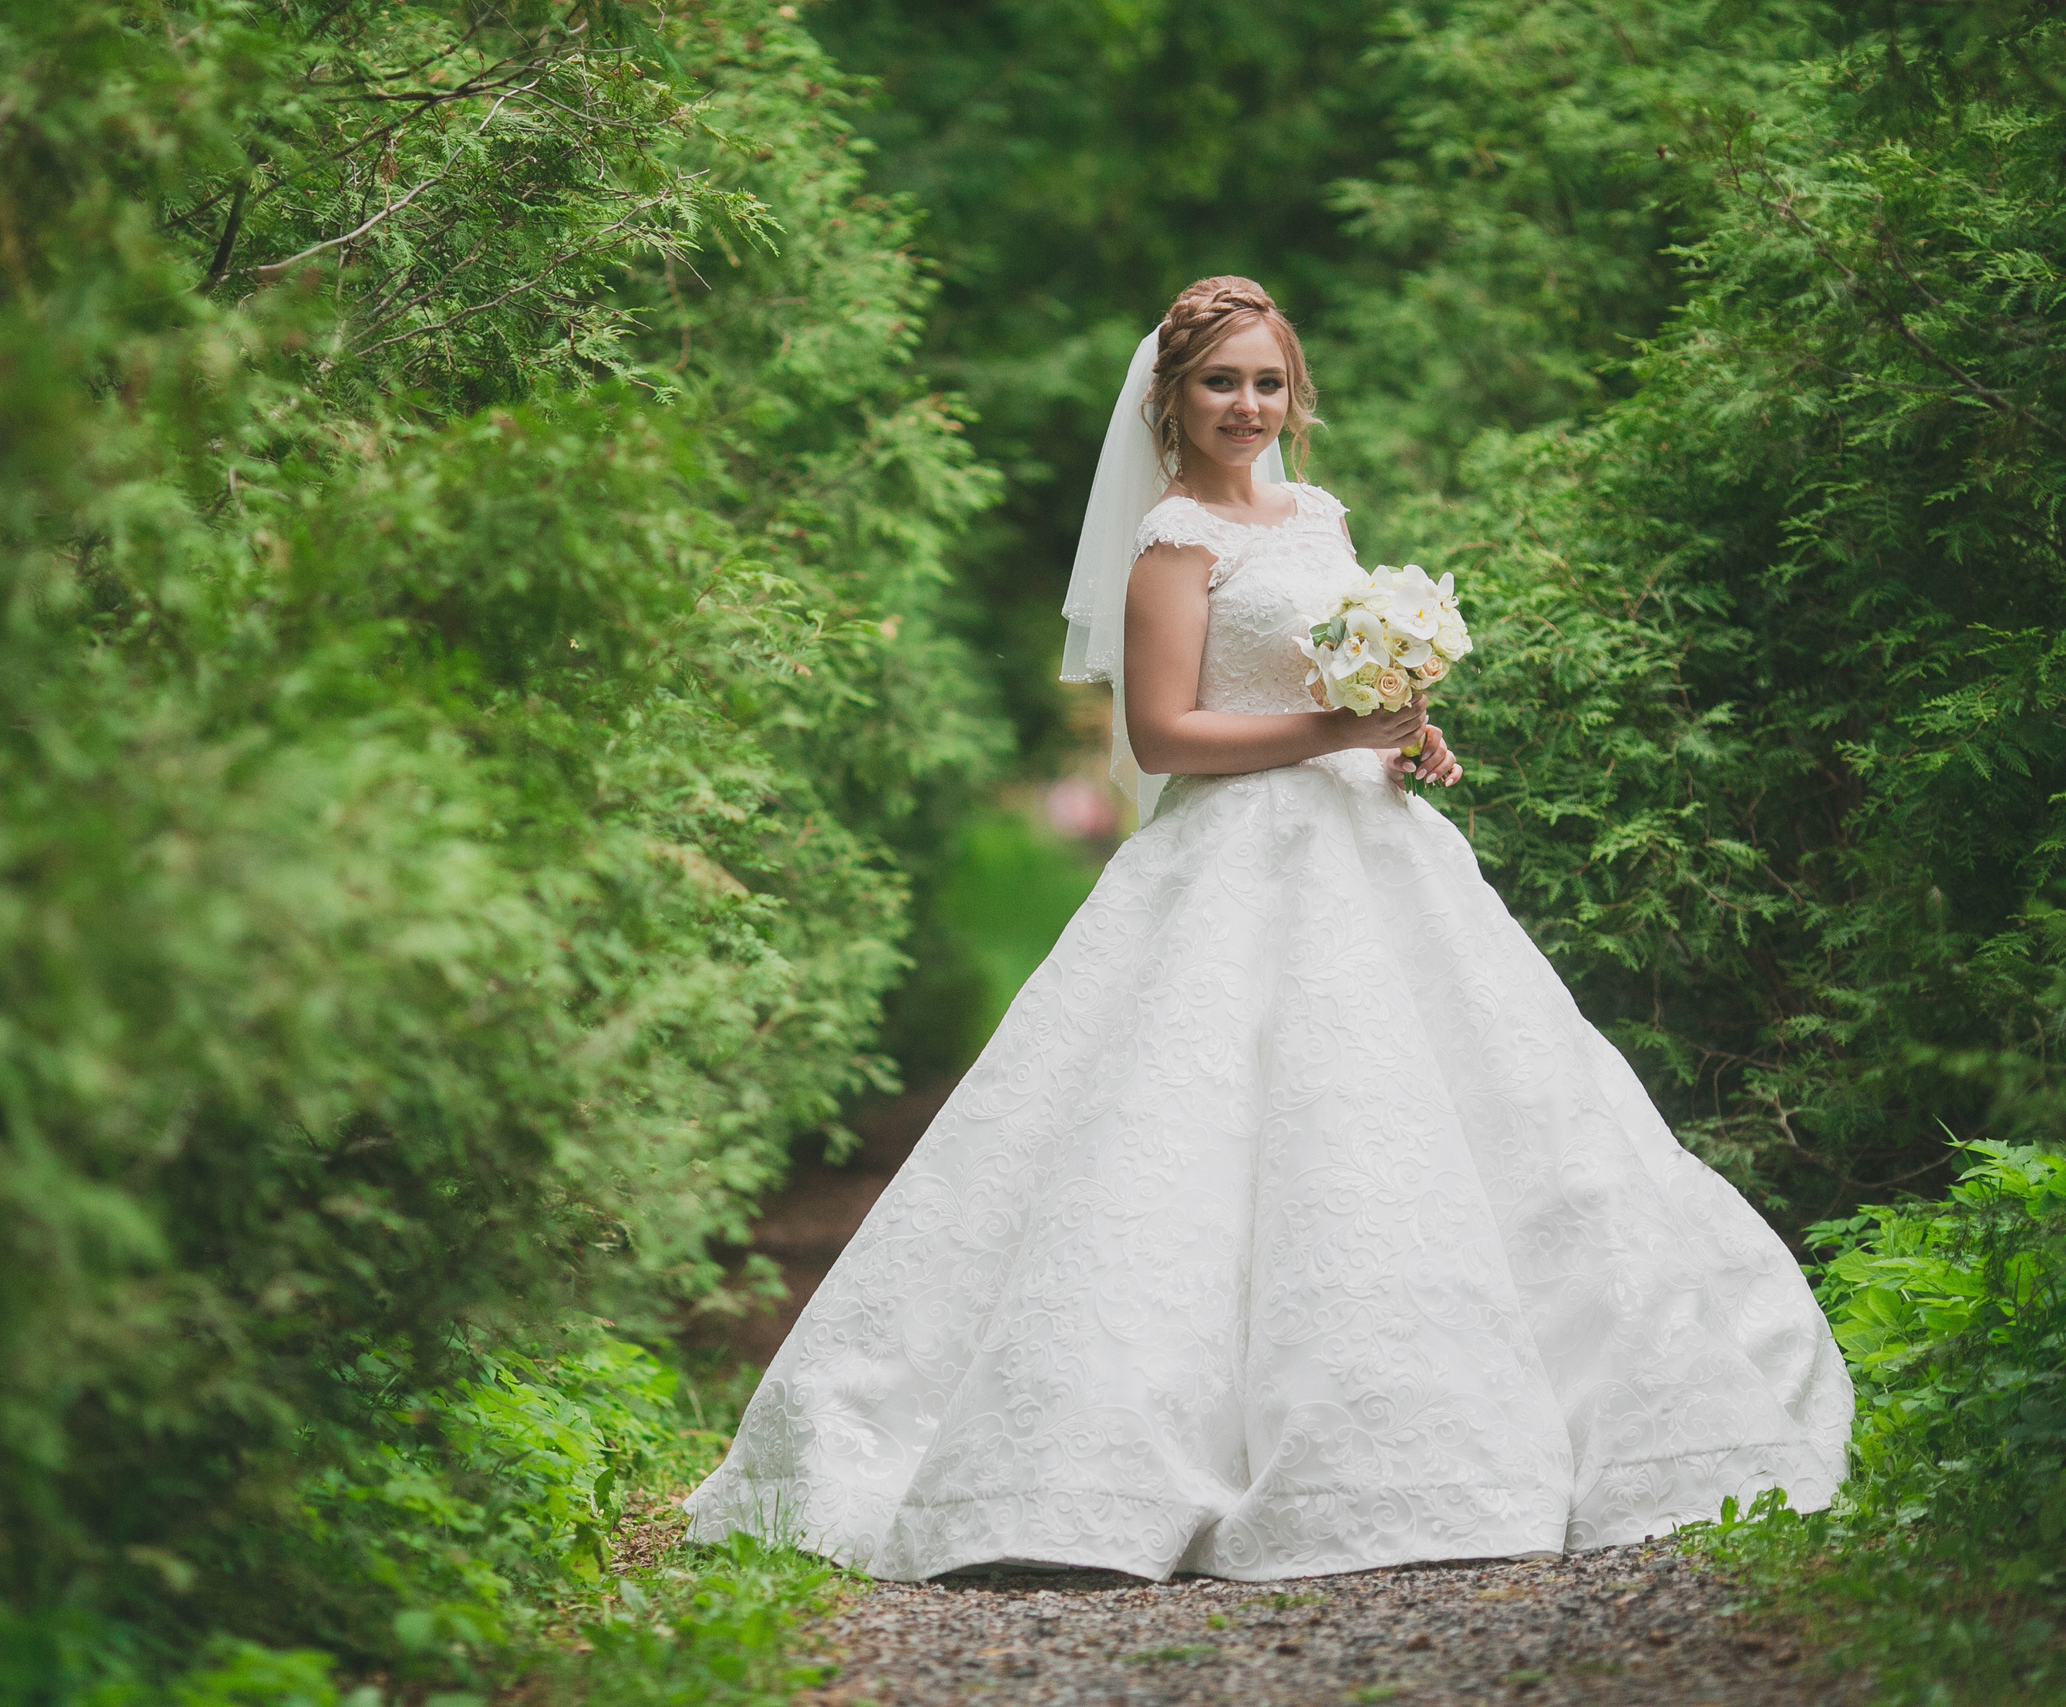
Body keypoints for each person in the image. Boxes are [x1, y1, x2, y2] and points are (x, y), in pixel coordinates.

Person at [682, 276, 1852, 1583]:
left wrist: (1406, 729)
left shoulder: (1321, 519)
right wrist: (1333, 730)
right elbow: (1164, 735)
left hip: (1372, 845)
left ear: (1297, 396)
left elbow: (1336, 675)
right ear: (1171, 401)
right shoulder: (1176, 542)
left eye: (1267, 382)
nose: (1248, 405)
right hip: (1234, 862)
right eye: (1220, 382)